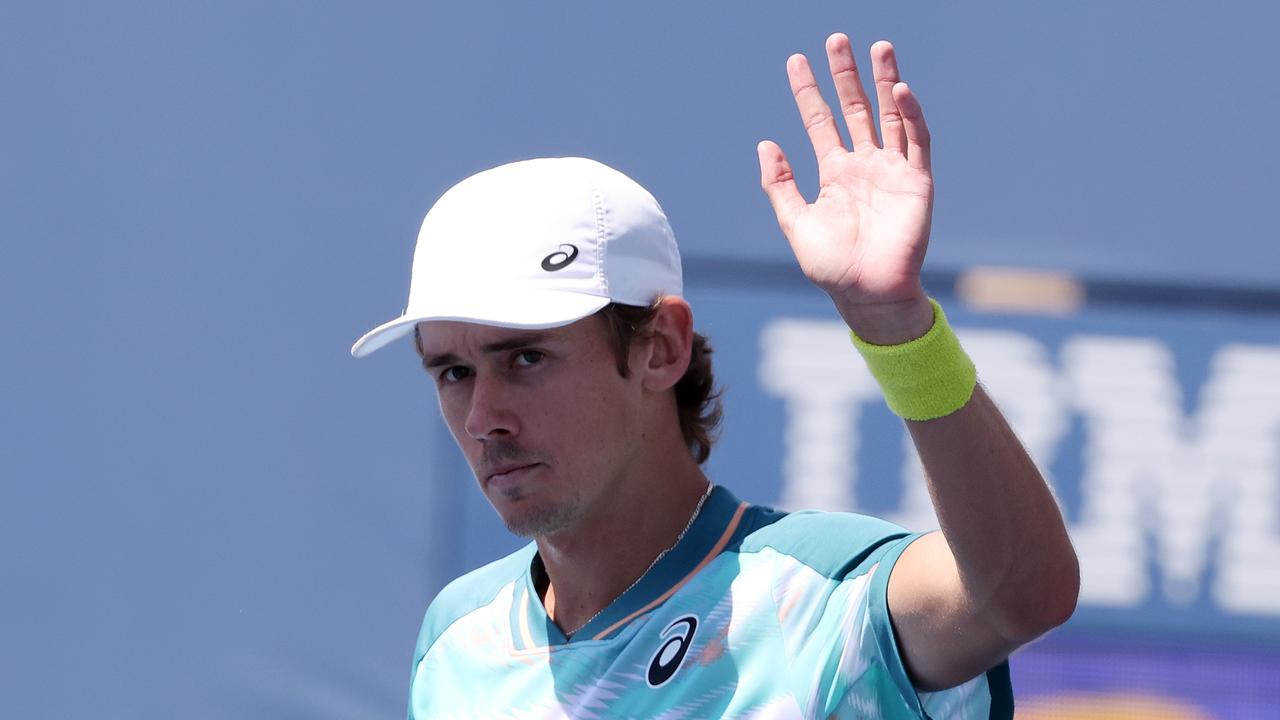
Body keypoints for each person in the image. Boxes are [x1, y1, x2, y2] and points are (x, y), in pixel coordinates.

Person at [352, 33, 1078, 719]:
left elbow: (1022, 596)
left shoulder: (823, 594)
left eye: (527, 358)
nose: (484, 417)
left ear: (661, 348)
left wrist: (896, 325)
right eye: (452, 372)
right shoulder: (457, 639)